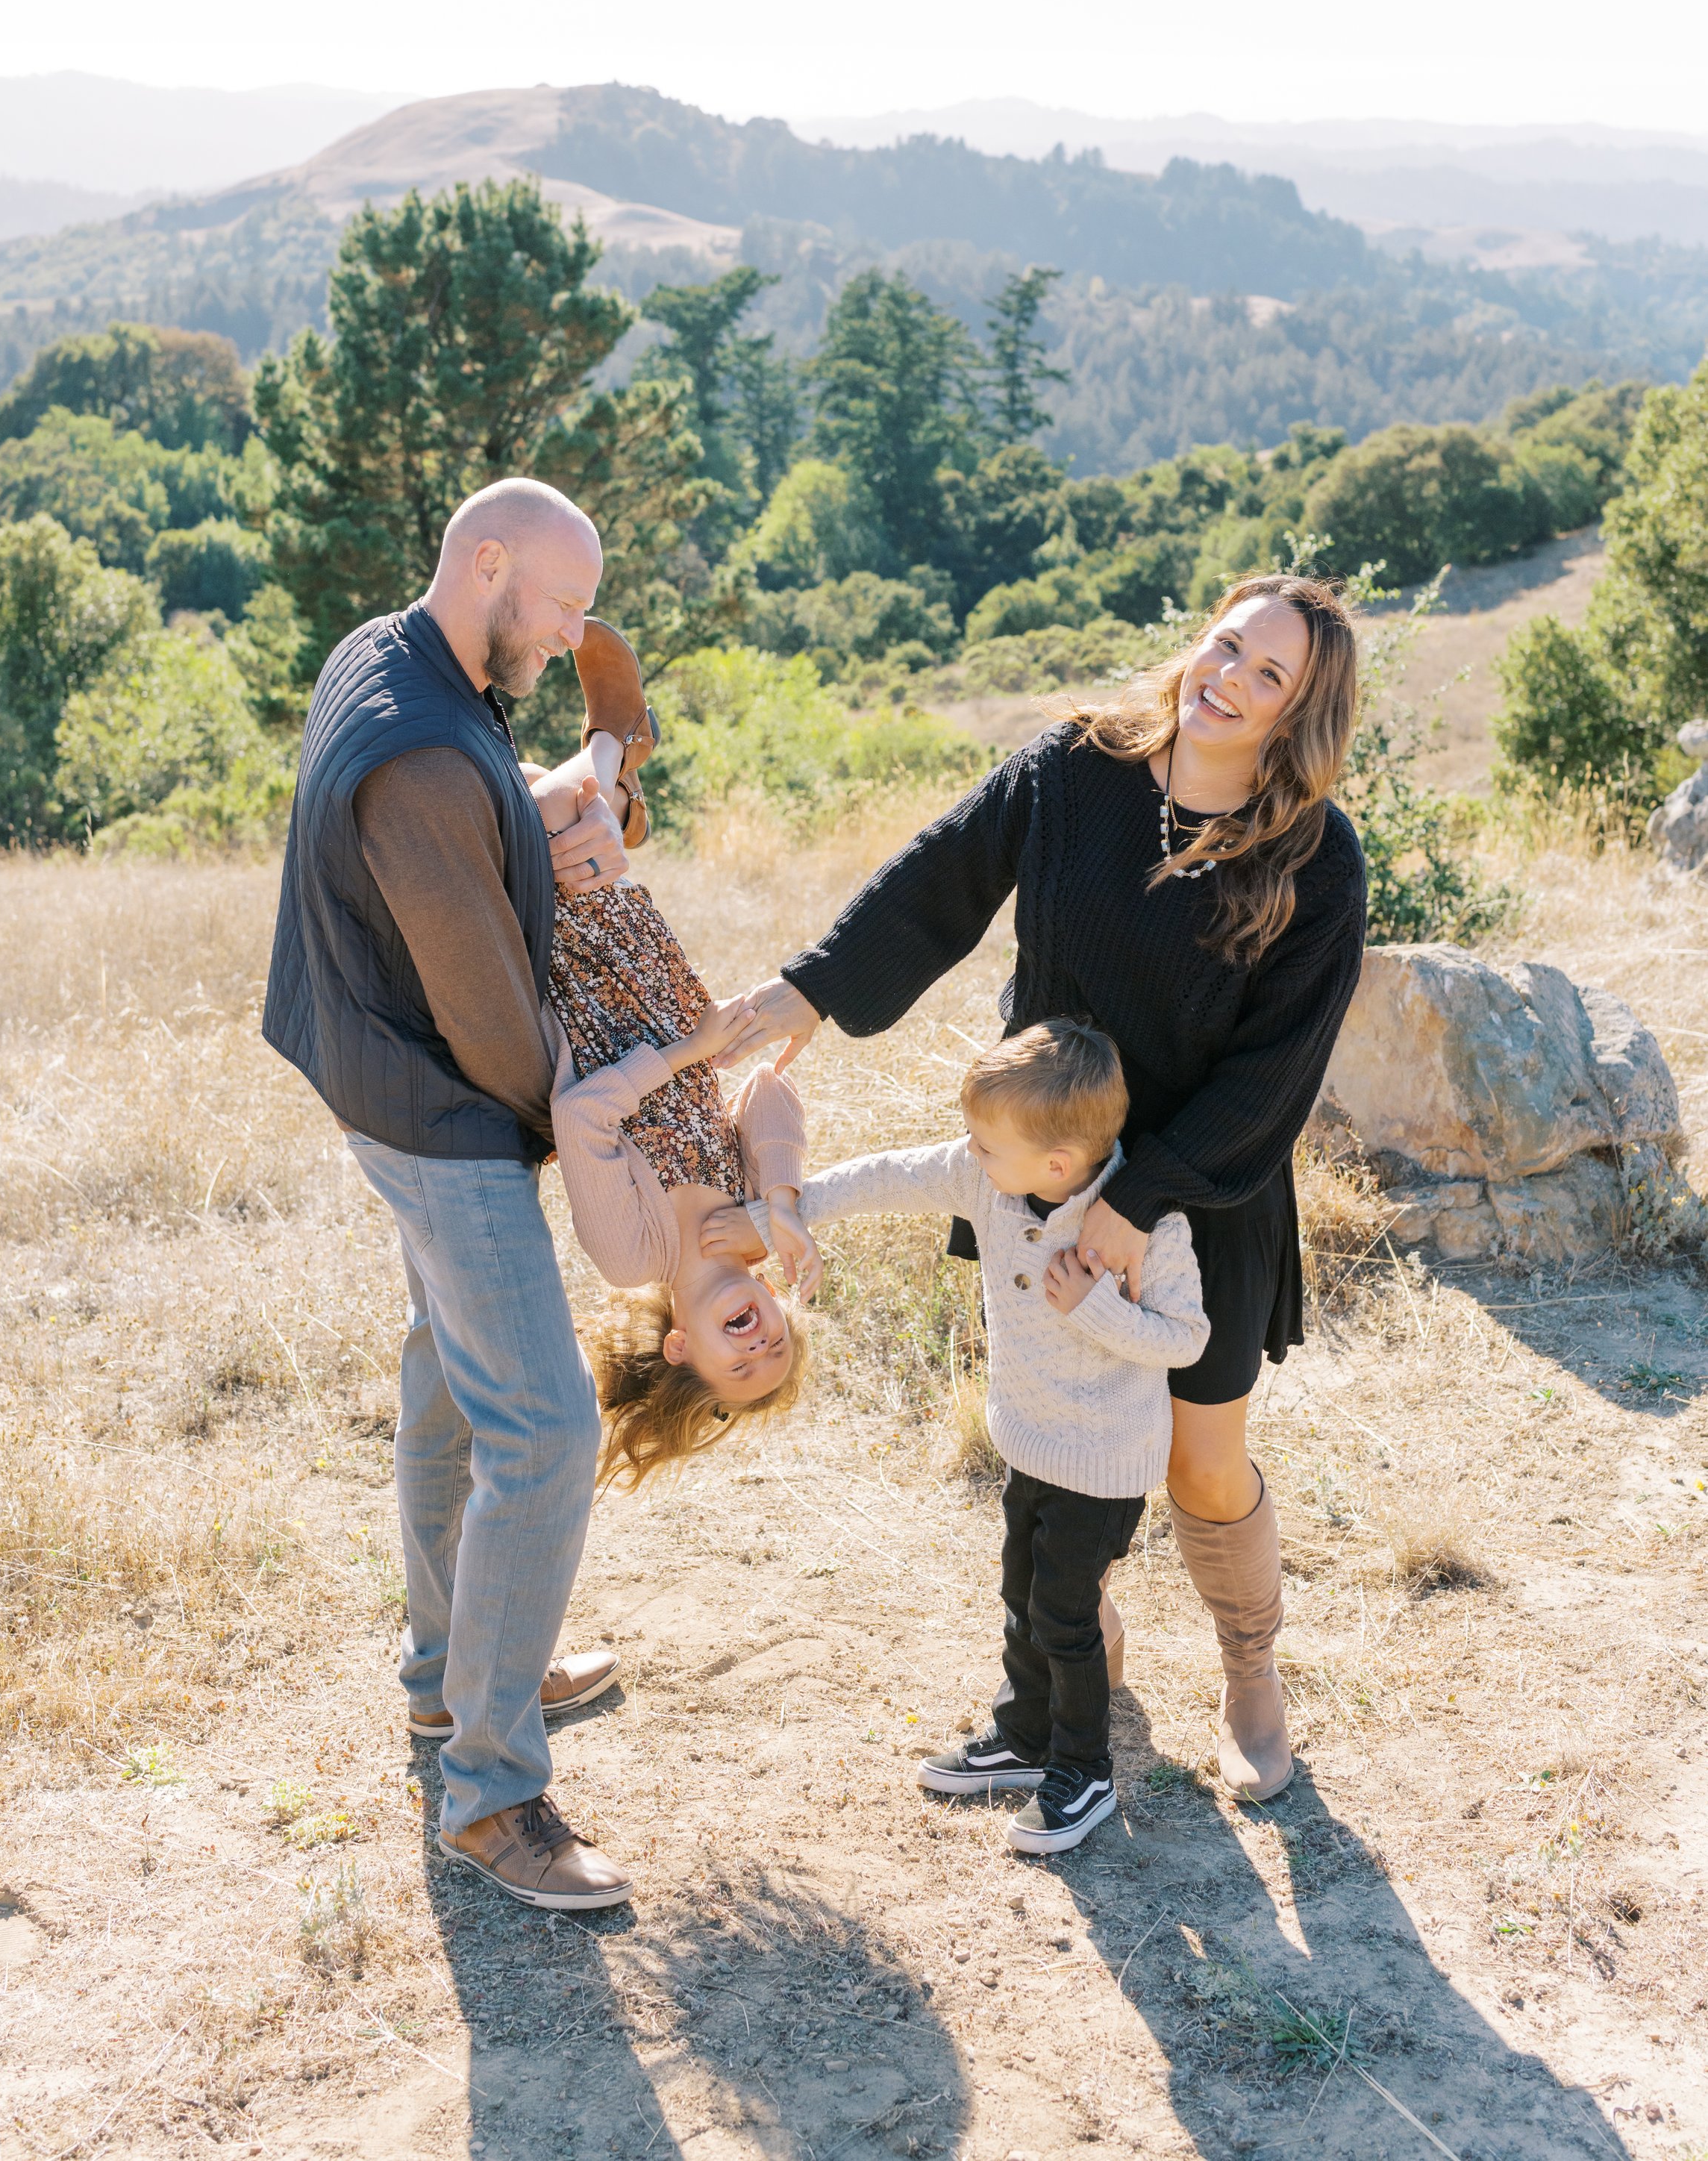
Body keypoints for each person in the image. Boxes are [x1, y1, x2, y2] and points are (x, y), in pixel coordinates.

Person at [729, 574, 1366, 1804]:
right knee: (1066, 1437)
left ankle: (1249, 1671)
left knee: (1200, 1468)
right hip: (1040, 1181)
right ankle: (1089, 1637)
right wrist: (805, 991)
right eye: (1227, 643)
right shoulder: (1077, 769)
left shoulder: (1315, 861)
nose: (1228, 677)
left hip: (1204, 1206)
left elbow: (1274, 1073)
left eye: (1268, 673)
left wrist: (1140, 1207)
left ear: (1299, 715)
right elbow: (940, 883)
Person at [263, 477, 641, 1913]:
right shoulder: (418, 752)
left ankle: (450, 1673)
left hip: (384, 1075)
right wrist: (613, 1127)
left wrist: (568, 789)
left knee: (450, 1381)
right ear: (489, 567)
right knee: (545, 1424)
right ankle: (491, 1794)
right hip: (437, 1107)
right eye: (557, 603)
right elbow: (493, 1022)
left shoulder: (397, 648)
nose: (572, 632)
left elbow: (477, 851)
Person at [789, 1019, 1207, 1857]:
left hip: (1105, 1458)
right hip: (1030, 1441)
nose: (967, 1153)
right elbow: (896, 1174)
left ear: (1058, 1165)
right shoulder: (989, 1181)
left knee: (1064, 1611)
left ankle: (1083, 1769)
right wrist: (799, 1208)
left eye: (983, 1143)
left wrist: (1094, 1309)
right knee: (1021, 1594)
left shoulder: (1145, 1228)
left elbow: (1185, 1338)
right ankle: (1024, 1734)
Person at [527, 741, 821, 1483]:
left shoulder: (633, 1257)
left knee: (541, 804)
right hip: (650, 972)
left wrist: (688, 1052)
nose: (758, 1348)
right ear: (780, 1307)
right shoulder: (751, 1228)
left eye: (742, 1365)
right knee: (540, 795)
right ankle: (613, 759)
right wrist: (781, 1203)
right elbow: (765, 1093)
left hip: (578, 992)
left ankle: (613, 755)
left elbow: (582, 1119)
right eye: (776, 1347)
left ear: (683, 1347)